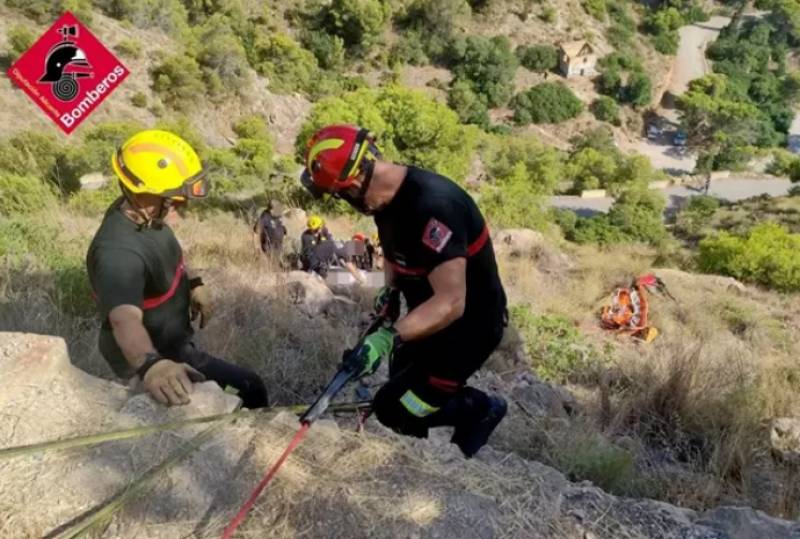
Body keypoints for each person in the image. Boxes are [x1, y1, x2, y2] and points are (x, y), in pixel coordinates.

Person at [300, 124, 508, 458]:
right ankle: (418, 450)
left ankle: (481, 409)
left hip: (467, 329)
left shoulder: (434, 207)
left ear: (352, 184)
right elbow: (396, 251)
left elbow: (452, 301)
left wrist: (385, 339)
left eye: (340, 195)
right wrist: (391, 292)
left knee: (396, 406)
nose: (346, 203)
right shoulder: (383, 201)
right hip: (427, 318)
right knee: (400, 382)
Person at [86, 129, 269, 409]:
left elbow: (170, 249)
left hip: (174, 339)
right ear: (143, 192)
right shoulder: (118, 253)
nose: (182, 206)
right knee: (250, 388)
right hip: (158, 352)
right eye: (174, 199)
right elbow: (124, 319)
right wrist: (151, 365)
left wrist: (194, 282)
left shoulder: (143, 214)